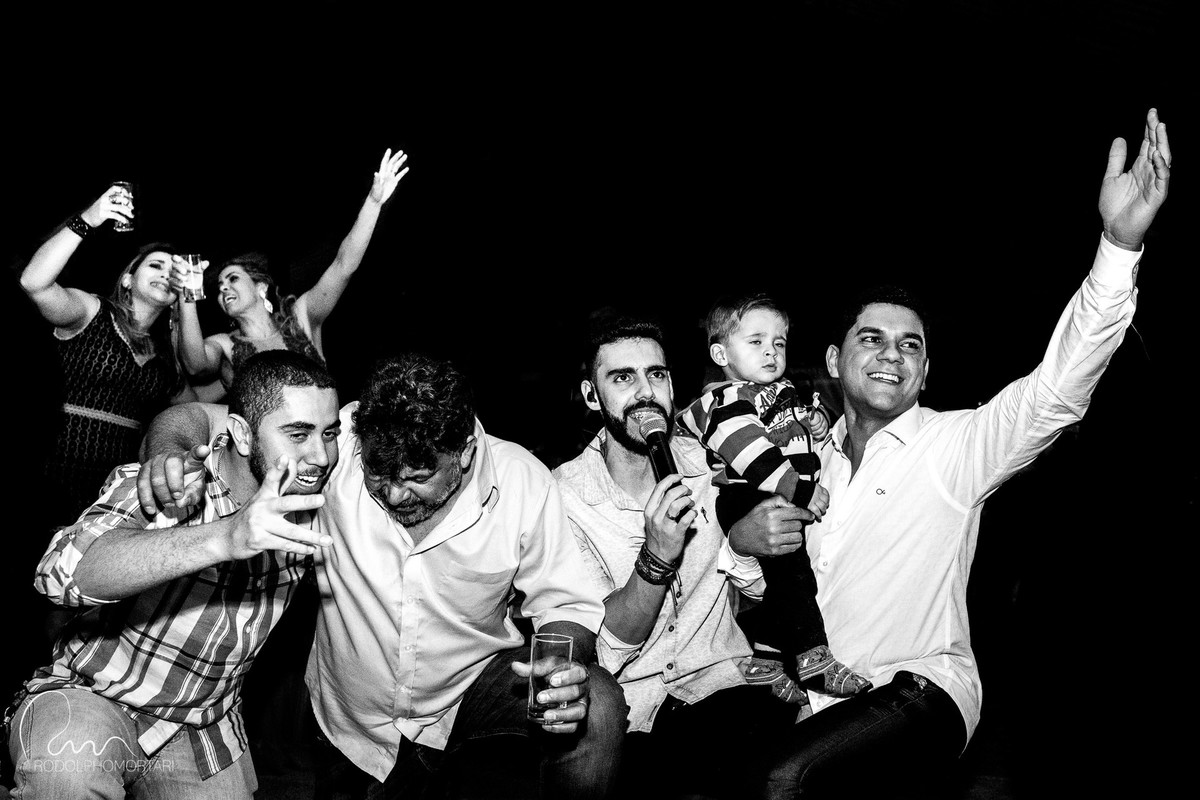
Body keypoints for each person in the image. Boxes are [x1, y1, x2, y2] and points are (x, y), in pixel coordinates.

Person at [721, 108, 1172, 798]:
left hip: (921, 690)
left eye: (910, 345)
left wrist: (1117, 245)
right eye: (872, 339)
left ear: (925, 373)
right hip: (816, 700)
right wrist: (742, 543)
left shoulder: (953, 446)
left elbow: (1054, 392)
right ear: (835, 360)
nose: (892, 354)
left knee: (779, 780)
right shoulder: (799, 461)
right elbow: (752, 592)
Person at [136, 352, 626, 799]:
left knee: (599, 703)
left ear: (465, 453)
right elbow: (198, 417)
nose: (394, 495)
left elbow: (565, 604)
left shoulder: (522, 482)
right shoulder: (336, 439)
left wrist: (558, 669)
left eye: (417, 478)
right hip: (350, 726)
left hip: (467, 699)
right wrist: (165, 455)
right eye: (378, 474)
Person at [4, 350, 341, 798]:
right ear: (241, 434)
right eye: (298, 434)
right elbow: (58, 574)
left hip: (202, 726)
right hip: (95, 695)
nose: (319, 454)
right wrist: (225, 536)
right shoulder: (174, 481)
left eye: (329, 433)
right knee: (66, 775)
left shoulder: (312, 501)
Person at [554, 314, 800, 800]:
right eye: (622, 378)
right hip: (634, 711)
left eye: (657, 374)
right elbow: (605, 647)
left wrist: (743, 546)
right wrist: (656, 557)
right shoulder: (563, 497)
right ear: (591, 396)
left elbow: (764, 595)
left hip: (727, 688)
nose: (646, 392)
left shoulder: (714, 464)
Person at [676, 293, 871, 698]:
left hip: (772, 494)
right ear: (721, 353)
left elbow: (788, 430)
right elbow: (751, 453)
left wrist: (816, 423)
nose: (771, 351)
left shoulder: (779, 393)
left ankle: (765, 659)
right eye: (756, 341)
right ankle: (813, 657)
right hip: (748, 495)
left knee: (779, 582)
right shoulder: (725, 400)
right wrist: (801, 489)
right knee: (795, 576)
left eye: (778, 343)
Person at [18, 183, 199, 526]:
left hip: (107, 492)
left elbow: (194, 407)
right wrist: (88, 218)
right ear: (128, 279)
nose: (165, 275)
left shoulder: (164, 358)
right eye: (155, 265)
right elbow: (34, 283)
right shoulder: (93, 312)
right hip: (48, 470)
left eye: (173, 272)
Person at [174, 147, 410, 391]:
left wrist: (373, 202)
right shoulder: (225, 345)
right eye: (220, 286)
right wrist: (187, 292)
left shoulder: (302, 317)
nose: (224, 288)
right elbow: (195, 365)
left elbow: (343, 265)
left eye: (233, 278)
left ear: (261, 287)